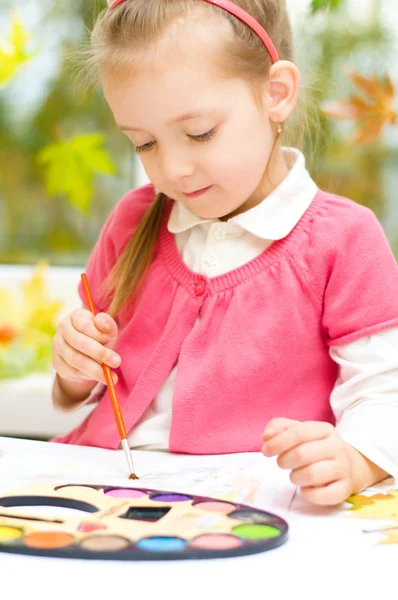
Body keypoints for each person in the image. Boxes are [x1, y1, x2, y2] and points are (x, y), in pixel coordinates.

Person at [51, 0, 398, 506]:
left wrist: (353, 458)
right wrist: (73, 369)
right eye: (143, 144)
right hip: (100, 495)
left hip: (249, 511)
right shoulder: (132, 221)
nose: (173, 169)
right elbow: (78, 394)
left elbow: (385, 395)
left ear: (275, 94)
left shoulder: (342, 239)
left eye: (199, 133)